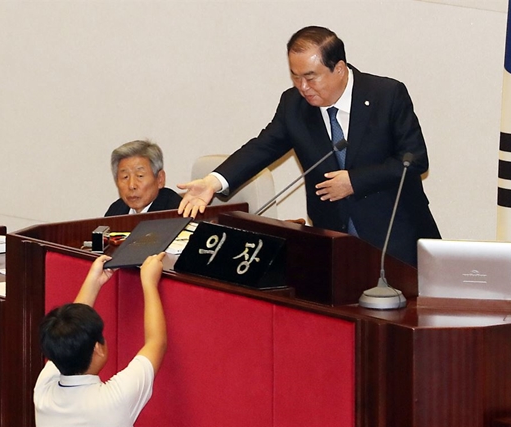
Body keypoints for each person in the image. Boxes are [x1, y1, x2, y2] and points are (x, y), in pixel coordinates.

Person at [177, 26, 440, 266]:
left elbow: (415, 160)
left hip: (395, 238)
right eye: (295, 77)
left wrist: (354, 182)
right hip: (334, 238)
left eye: (311, 77)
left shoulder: (386, 95)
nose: (303, 87)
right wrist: (213, 182)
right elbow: (262, 147)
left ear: (338, 69)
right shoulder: (294, 105)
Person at [34, 252, 167, 427]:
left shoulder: (44, 390)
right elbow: (156, 342)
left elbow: (66, 331)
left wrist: (93, 281)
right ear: (98, 348)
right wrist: (149, 283)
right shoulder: (115, 398)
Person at [105, 140, 182, 216]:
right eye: (125, 177)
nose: (132, 185)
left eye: (140, 176)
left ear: (160, 179)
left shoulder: (176, 212)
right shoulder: (115, 211)